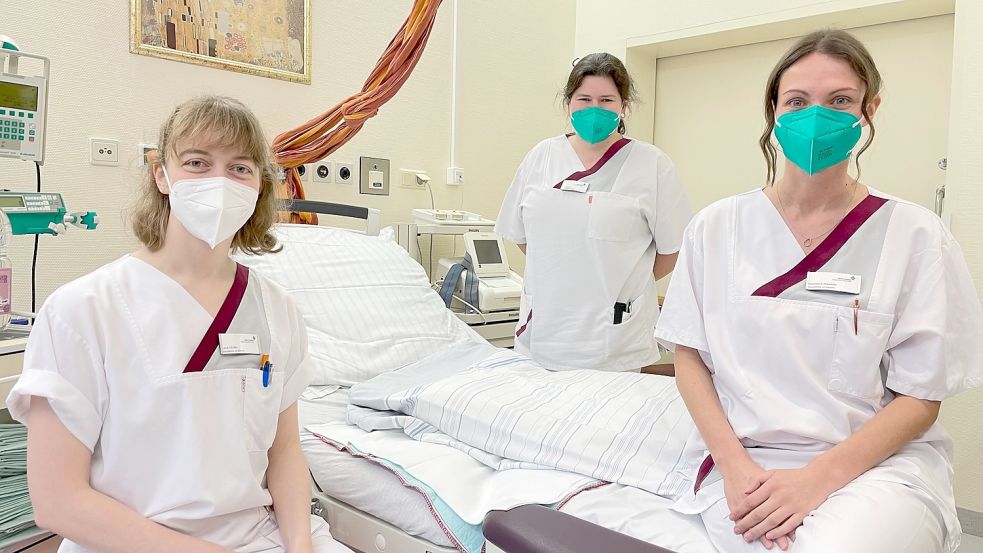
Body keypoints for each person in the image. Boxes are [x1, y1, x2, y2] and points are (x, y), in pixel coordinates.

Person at [655, 29, 983, 553]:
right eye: (798, 101)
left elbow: (921, 397)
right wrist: (735, 466)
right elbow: (689, 357)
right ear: (774, 111)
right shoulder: (717, 227)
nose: (816, 116)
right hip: (749, 461)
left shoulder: (915, 235)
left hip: (876, 467)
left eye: (840, 101)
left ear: (868, 110)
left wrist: (814, 483)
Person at [7, 96, 350, 553]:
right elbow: (58, 502)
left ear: (259, 187)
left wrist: (301, 546)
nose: (219, 182)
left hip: (258, 537)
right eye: (197, 162)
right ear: (161, 175)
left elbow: (283, 452)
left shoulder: (277, 308)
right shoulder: (82, 309)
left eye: (240, 168)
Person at [496, 53, 692, 373]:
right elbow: (522, 236)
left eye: (606, 100)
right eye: (584, 98)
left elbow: (671, 250)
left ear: (623, 106)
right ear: (568, 103)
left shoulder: (651, 164)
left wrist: (622, 282)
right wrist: (563, 270)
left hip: (613, 338)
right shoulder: (541, 157)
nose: (594, 108)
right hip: (545, 331)